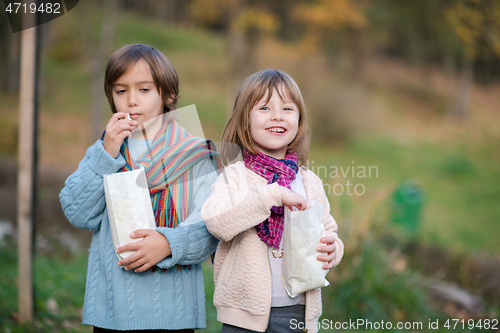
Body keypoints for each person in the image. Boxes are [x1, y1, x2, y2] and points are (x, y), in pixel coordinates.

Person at [60, 44, 220, 332]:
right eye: (121, 91)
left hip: (173, 311)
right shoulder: (106, 151)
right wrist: (106, 154)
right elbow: (78, 212)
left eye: (144, 90)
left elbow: (211, 226)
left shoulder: (192, 152)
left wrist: (169, 244)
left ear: (167, 95)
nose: (131, 101)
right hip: (113, 310)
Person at [201, 69, 344, 333]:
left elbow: (328, 229)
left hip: (297, 312)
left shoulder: (309, 181)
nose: (277, 115)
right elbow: (216, 221)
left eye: (287, 108)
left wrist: (333, 249)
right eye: (264, 107)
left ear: (299, 121)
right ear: (245, 121)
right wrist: (272, 195)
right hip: (243, 316)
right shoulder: (235, 176)